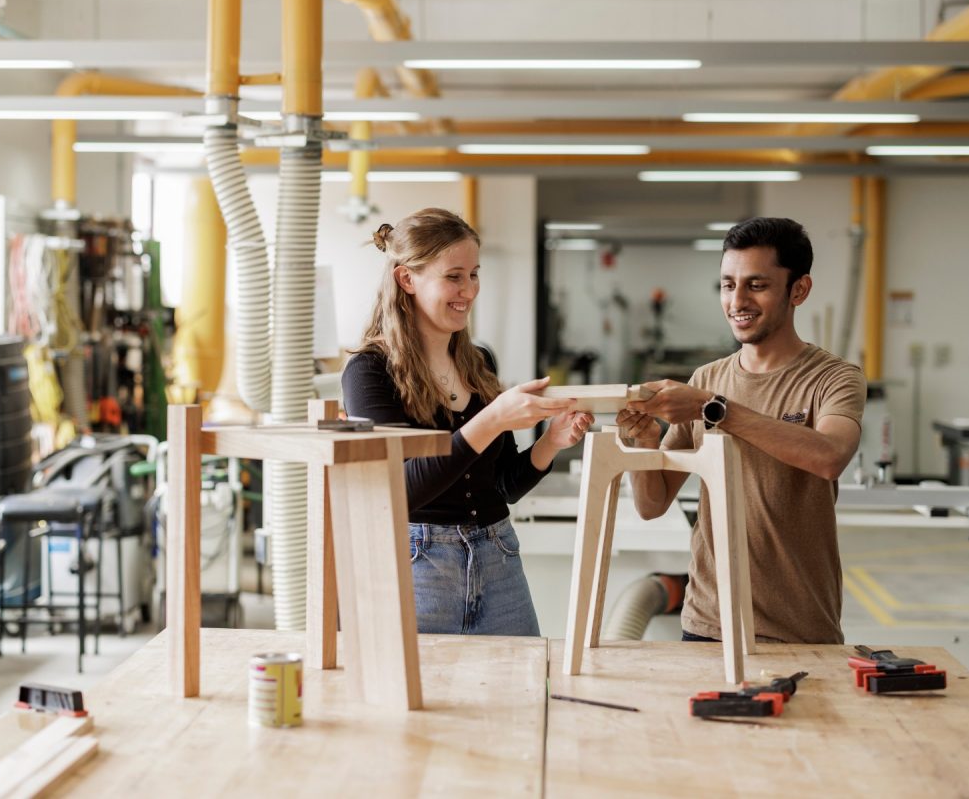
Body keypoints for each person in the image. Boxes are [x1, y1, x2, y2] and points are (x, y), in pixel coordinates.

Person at [342, 208, 593, 636]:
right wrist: (492, 420)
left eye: (474, 274)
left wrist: (551, 442)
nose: (469, 290)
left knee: (520, 693)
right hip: (418, 562)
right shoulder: (370, 372)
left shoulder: (478, 362)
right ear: (407, 280)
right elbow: (397, 490)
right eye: (453, 276)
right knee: (428, 698)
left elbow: (502, 488)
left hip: (498, 555)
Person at [617, 217, 865, 644]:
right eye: (728, 285)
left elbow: (829, 457)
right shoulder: (706, 379)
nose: (737, 300)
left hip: (800, 627)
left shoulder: (834, 378)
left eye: (757, 285)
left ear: (799, 290)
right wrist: (644, 441)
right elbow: (652, 504)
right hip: (708, 624)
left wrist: (712, 409)